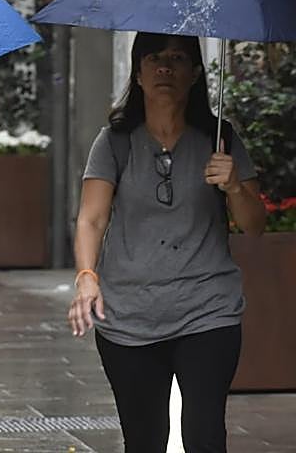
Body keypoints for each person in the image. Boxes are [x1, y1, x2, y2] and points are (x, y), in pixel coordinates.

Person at [69, 33, 265, 453]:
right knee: (144, 440)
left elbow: (254, 225)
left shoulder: (219, 138)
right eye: (153, 58)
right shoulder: (114, 141)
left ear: (194, 73)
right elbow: (92, 217)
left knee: (205, 436)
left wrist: (234, 186)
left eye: (177, 58)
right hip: (129, 316)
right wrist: (86, 276)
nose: (164, 67)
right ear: (138, 73)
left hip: (208, 311)